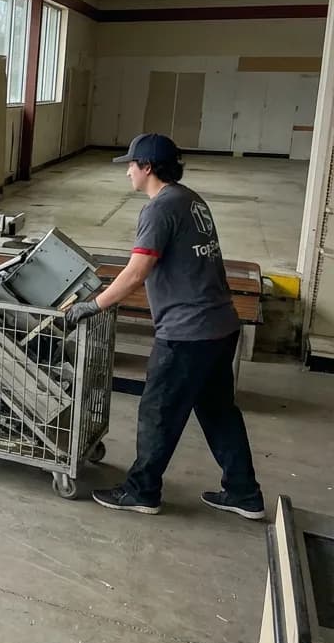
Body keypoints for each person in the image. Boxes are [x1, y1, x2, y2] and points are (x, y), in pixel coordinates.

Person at [67, 133, 264, 519]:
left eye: (131, 164)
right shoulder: (191, 200)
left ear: (148, 168)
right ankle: (244, 493)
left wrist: (92, 305)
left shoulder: (159, 209)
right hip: (220, 326)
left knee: (158, 412)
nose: (127, 171)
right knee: (220, 412)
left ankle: (142, 491)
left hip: (187, 333)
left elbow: (137, 271)